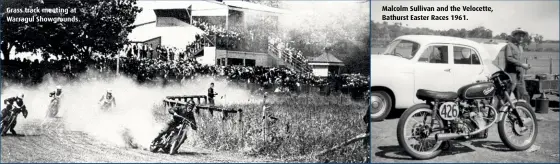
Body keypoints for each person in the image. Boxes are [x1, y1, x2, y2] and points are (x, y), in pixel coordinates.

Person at [505, 28, 531, 102]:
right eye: (519, 35)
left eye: (522, 36)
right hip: (511, 75)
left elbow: (520, 60)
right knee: (506, 96)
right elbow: (509, 58)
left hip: (520, 75)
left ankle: (524, 112)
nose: (521, 38)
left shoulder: (520, 47)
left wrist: (526, 66)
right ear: (514, 35)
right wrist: (522, 65)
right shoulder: (509, 45)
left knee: (523, 95)